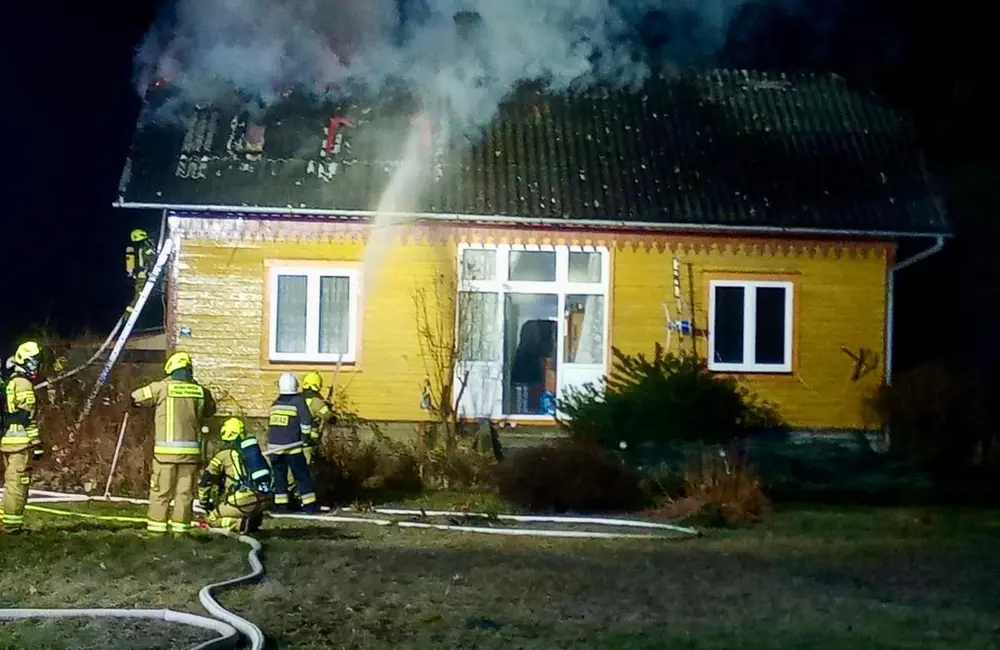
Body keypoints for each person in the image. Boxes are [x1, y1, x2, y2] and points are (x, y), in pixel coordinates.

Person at [131, 351, 216, 535]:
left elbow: (135, 397)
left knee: (161, 492)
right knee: (184, 495)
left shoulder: (161, 387)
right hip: (191, 455)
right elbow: (211, 410)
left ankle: (156, 531)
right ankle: (180, 532)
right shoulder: (201, 391)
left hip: (165, 455)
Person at [197, 417, 272, 533]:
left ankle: (240, 524)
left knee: (212, 519)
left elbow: (206, 480)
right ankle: (252, 519)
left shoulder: (222, 454)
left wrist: (204, 502)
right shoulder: (250, 450)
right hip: (264, 498)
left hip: (242, 500)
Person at [1, 342, 44, 534]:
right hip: (20, 443)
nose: (35, 366)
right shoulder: (25, 384)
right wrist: (36, 443)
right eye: (33, 362)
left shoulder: (10, 381)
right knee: (17, 485)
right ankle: (12, 526)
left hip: (5, 441)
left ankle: (7, 521)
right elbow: (28, 416)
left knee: (10, 483)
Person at [267, 372, 317, 513]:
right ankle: (309, 506)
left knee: (279, 478)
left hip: (274, 448)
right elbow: (306, 422)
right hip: (292, 447)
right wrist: (306, 438)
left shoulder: (275, 403)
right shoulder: (298, 402)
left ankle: (281, 507)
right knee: (302, 476)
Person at [287, 371, 337, 505]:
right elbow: (329, 418)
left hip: (290, 440)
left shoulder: (295, 399)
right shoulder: (316, 402)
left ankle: (285, 494)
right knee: (303, 469)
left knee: (290, 468)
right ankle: (298, 497)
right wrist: (329, 408)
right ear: (318, 386)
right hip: (306, 444)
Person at [125, 228, 156, 311]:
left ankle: (131, 309)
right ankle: (132, 309)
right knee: (140, 293)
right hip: (143, 274)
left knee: (140, 292)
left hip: (141, 274)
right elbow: (152, 259)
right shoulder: (145, 248)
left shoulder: (138, 249)